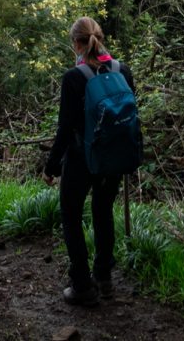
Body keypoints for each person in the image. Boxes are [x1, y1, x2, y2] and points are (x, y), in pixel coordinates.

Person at [42, 15, 133, 306]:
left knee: (71, 215)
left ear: (76, 44)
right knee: (103, 211)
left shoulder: (73, 78)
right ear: (101, 39)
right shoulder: (123, 70)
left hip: (82, 159)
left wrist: (52, 165)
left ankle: (81, 285)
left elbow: (65, 127)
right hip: (114, 157)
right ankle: (104, 278)